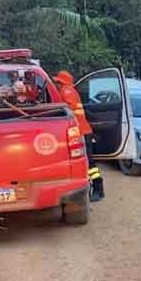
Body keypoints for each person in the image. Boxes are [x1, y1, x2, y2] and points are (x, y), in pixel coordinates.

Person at [53, 70, 105, 202]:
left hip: (81, 131)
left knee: (88, 163)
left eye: (57, 82)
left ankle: (98, 189)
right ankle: (95, 188)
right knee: (87, 162)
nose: (56, 84)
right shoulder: (69, 90)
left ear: (61, 82)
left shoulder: (67, 91)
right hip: (82, 131)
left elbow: (68, 107)